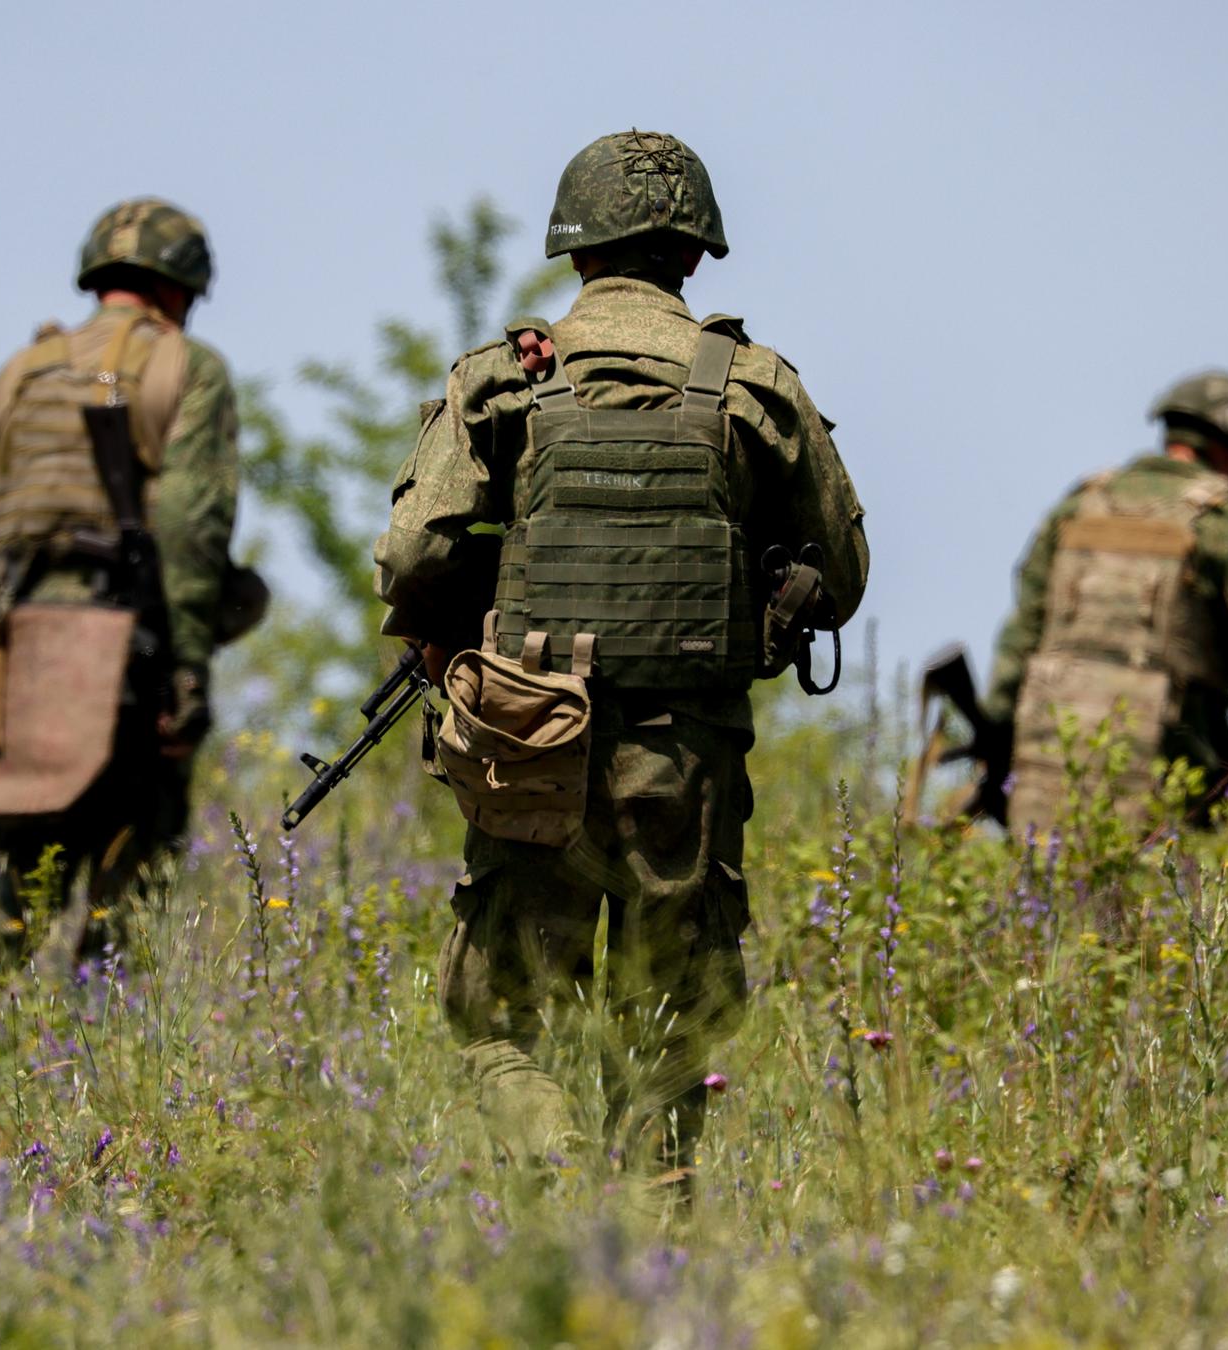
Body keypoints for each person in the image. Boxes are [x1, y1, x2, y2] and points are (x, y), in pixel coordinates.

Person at [373, 131, 868, 1192]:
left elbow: (413, 557)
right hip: (684, 762)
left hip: (527, 747)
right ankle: (653, 1237)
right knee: (670, 1033)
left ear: (575, 247)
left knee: (501, 1024)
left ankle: (551, 1176)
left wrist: (457, 629)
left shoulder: (502, 382)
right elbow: (842, 572)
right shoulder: (757, 388)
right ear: (693, 254)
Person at [0, 198, 242, 971]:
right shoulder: (187, 367)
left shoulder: (21, 373)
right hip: (121, 650)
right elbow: (190, 532)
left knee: (22, 869)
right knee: (131, 879)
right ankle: (106, 1028)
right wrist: (188, 675)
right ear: (179, 287)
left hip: (3, 652)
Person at [977, 371, 1228, 835]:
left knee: (1041, 878)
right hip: (1164, 776)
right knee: (1176, 883)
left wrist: (995, 738)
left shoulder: (1079, 507)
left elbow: (1020, 641)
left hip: (1046, 765)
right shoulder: (1227, 524)